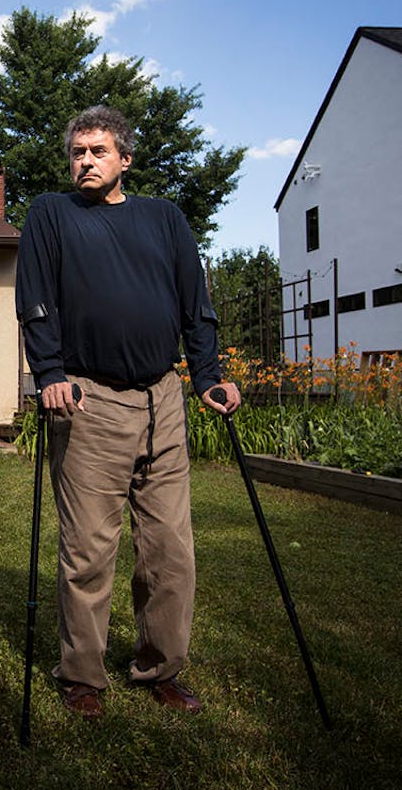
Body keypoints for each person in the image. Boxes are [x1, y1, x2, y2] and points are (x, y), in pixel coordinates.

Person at [15, 104, 240, 720]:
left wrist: (208, 378)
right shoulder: (51, 215)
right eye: (77, 152)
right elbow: (33, 299)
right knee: (88, 549)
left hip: (162, 398)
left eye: (97, 151)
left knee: (170, 549)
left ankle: (159, 668)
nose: (84, 161)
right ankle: (82, 675)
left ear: (125, 159)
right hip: (89, 398)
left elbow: (197, 307)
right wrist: (51, 374)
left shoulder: (164, 218)